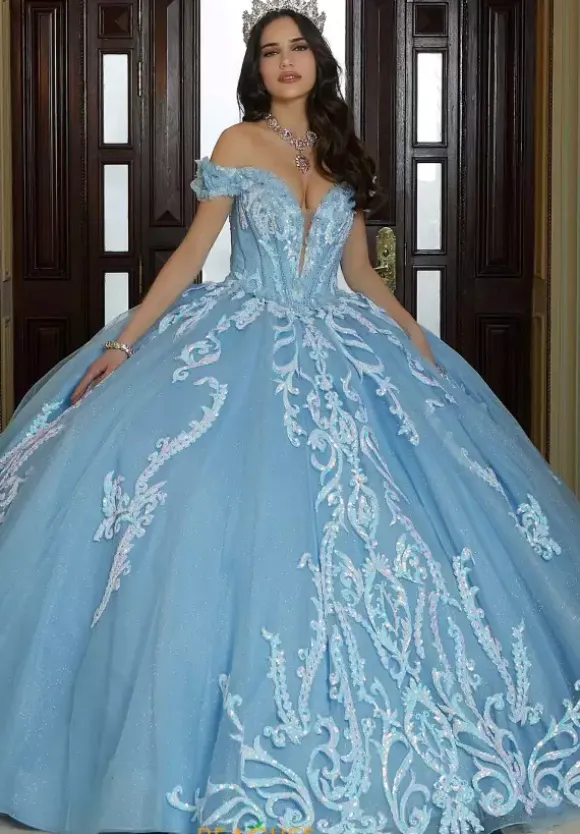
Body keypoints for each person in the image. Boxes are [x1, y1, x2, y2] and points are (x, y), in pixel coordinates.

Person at [0, 3, 579, 834]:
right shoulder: (239, 143)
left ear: (317, 60)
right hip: (244, 337)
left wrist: (410, 332)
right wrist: (125, 345)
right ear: (258, 69)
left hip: (340, 334)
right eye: (270, 52)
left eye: (296, 47)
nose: (284, 62)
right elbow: (190, 259)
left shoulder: (341, 151)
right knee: (233, 517)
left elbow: (360, 273)